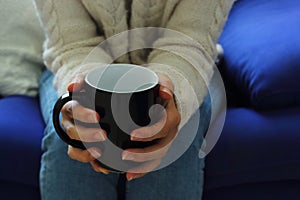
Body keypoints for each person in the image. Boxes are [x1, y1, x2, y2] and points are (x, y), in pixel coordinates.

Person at [33, 0, 234, 199]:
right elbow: (73, 43)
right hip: (77, 61)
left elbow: (190, 40)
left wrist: (171, 95)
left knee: (175, 138)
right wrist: (86, 94)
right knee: (71, 141)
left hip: (183, 65)